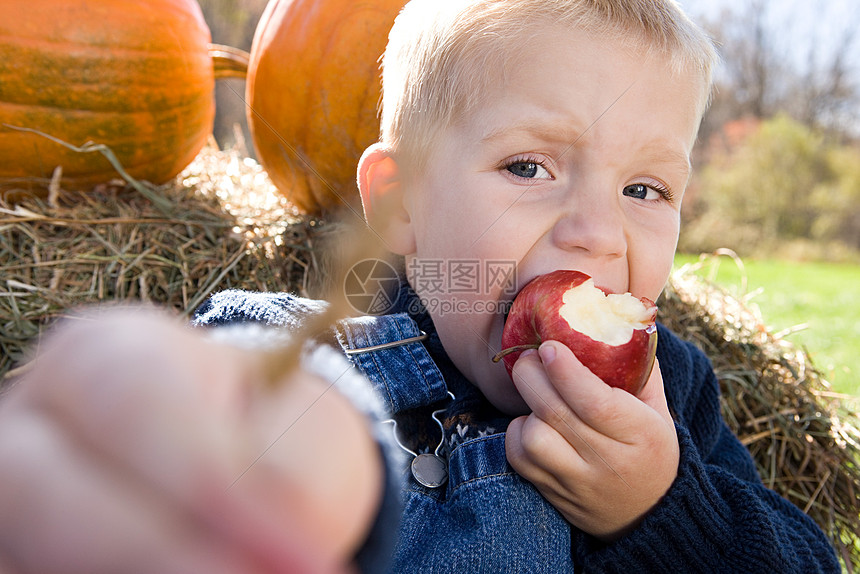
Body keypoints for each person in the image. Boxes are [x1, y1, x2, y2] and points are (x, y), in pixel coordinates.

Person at [0, 0, 841, 572]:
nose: (596, 230)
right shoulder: (328, 350)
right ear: (401, 206)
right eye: (528, 166)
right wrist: (287, 454)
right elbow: (268, 385)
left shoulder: (676, 397)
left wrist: (660, 506)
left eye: (644, 190)